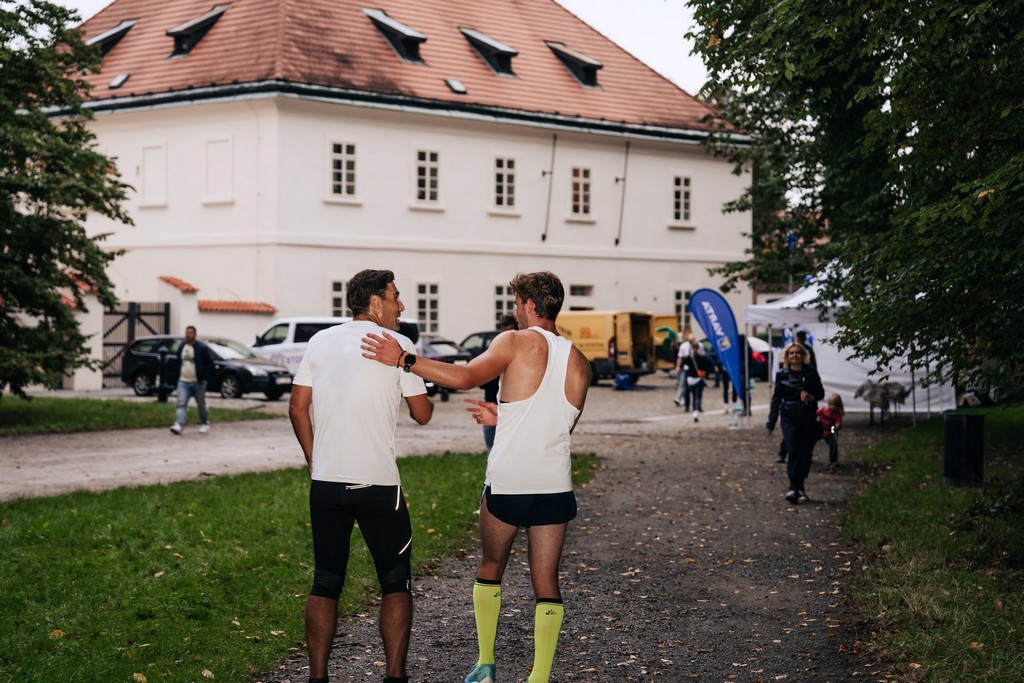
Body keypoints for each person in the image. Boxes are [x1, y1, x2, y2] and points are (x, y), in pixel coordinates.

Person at [360, 271, 590, 683]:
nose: (514, 311)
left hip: (509, 483)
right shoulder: (579, 361)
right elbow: (557, 425)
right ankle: (539, 678)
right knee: (546, 582)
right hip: (555, 486)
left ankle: (486, 664)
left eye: (516, 302)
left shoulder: (513, 341)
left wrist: (404, 359)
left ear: (530, 304)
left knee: (491, 566)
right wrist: (506, 416)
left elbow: (467, 377)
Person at [288, 269, 434, 683]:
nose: (401, 306)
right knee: (395, 582)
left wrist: (314, 460)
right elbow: (423, 414)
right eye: (395, 297)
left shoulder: (319, 341)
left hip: (327, 484)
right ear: (375, 302)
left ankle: (317, 678)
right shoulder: (398, 346)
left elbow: (297, 407)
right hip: (378, 485)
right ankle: (394, 677)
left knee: (325, 581)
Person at [766, 342, 825, 504]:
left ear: (803, 355)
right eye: (791, 353)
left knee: (806, 452)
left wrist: (811, 397)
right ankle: (793, 487)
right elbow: (776, 399)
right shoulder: (782, 374)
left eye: (798, 353)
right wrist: (771, 422)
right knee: (793, 450)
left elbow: (820, 393)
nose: (795, 356)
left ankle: (801, 487)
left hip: (808, 417)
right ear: (787, 356)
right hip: (789, 417)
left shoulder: (811, 372)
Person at [480, 314, 519, 451]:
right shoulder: (496, 345)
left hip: (509, 406)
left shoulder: (518, 348)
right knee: (492, 449)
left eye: (505, 326)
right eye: (501, 326)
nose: (503, 329)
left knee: (506, 450)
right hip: (493, 402)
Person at [170, 325, 215, 435]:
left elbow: (210, 364)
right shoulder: (182, 347)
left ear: (195, 335)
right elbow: (178, 361)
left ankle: (204, 423)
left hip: (197, 382)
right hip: (183, 381)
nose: (188, 335)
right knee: (181, 404)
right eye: (187, 333)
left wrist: (205, 377)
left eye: (190, 333)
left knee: (201, 404)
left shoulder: (201, 348)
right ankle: (179, 424)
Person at [817, 393, 845, 468]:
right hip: (821, 427)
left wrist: (837, 426)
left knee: (833, 443)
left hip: (831, 429)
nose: (833, 407)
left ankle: (833, 460)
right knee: (809, 441)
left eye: (835, 405)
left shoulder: (837, 414)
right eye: (831, 405)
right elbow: (816, 413)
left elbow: (838, 422)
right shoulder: (824, 410)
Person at [673, 332, 696, 409]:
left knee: (691, 386)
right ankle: (680, 398)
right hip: (685, 367)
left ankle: (688, 400)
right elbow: (680, 357)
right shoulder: (683, 346)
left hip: (694, 367)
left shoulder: (697, 346)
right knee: (682, 383)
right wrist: (678, 366)